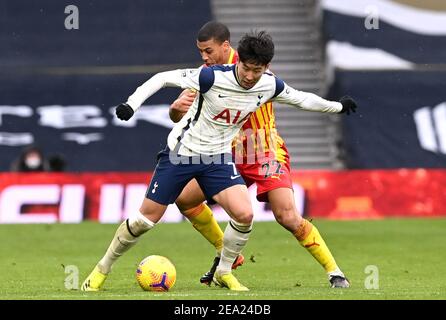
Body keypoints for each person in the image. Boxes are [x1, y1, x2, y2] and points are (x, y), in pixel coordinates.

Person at [81, 30, 357, 292]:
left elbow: (301, 99)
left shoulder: (268, 83)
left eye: (256, 71)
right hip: (183, 155)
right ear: (238, 62)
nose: (250, 76)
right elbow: (162, 79)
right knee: (145, 220)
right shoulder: (210, 77)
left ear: (266, 67)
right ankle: (102, 269)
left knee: (249, 214)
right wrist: (132, 104)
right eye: (246, 69)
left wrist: (338, 107)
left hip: (228, 157)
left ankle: (226, 271)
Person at [169, 22, 352, 288]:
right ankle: (226, 252)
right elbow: (178, 115)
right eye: (201, 53)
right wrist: (176, 108)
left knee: (287, 216)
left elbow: (295, 96)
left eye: (208, 51)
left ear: (225, 47)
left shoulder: (251, 67)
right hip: (227, 154)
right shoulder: (205, 75)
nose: (204, 57)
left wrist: (336, 107)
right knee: (185, 199)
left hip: (264, 152)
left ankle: (334, 271)